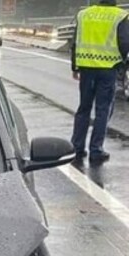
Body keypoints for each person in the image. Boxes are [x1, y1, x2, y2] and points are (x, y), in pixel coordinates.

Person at [71, 0, 129, 162]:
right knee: (103, 109)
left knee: (84, 108)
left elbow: (75, 42)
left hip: (85, 67)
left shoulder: (84, 14)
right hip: (107, 68)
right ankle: (96, 149)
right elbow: (125, 43)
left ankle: (77, 147)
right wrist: (123, 64)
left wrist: (74, 66)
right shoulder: (120, 16)